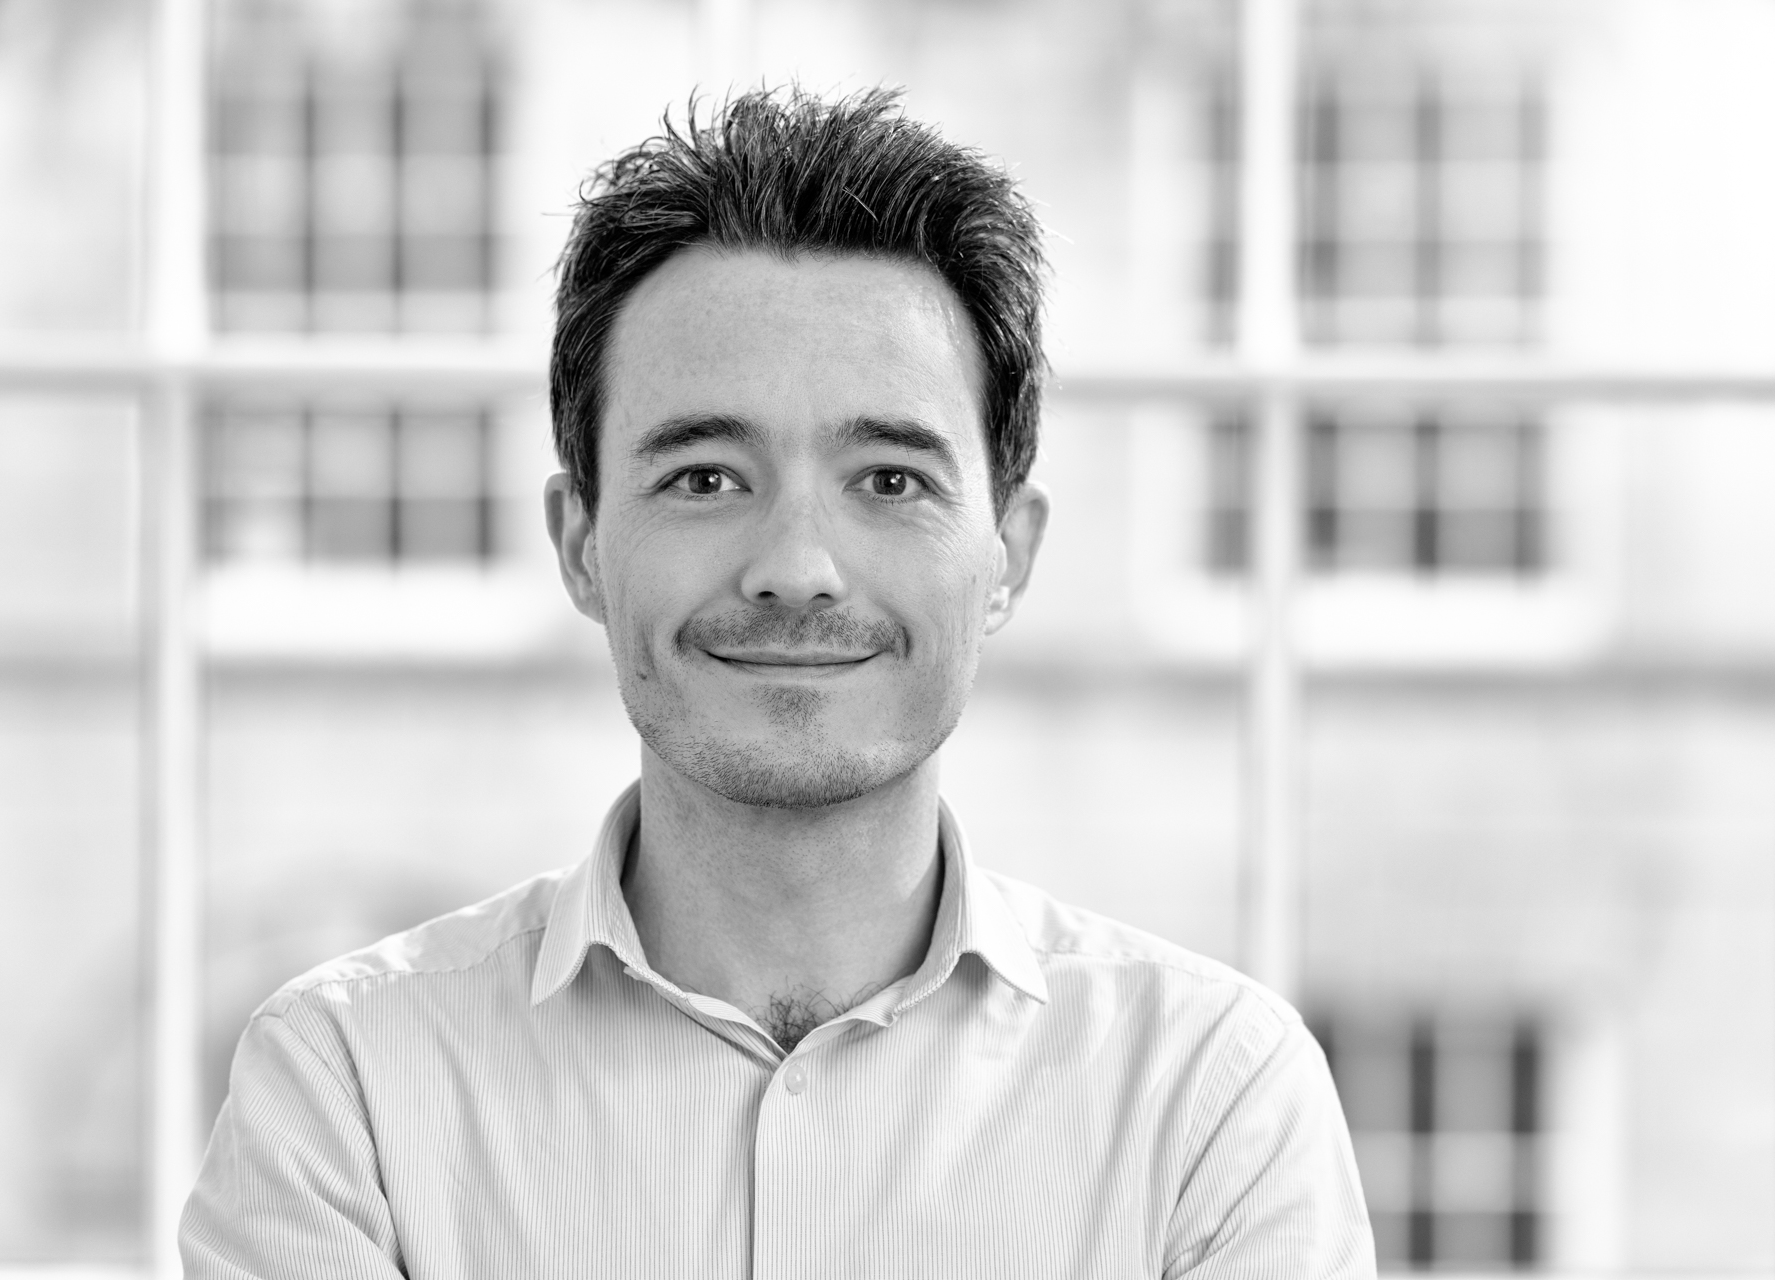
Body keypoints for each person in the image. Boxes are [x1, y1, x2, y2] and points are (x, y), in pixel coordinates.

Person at [180, 87, 1375, 1279]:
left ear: (1007, 552)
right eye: (704, 477)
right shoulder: (347, 1088)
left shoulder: (1213, 1098)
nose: (796, 569)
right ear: (582, 542)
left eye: (891, 479)